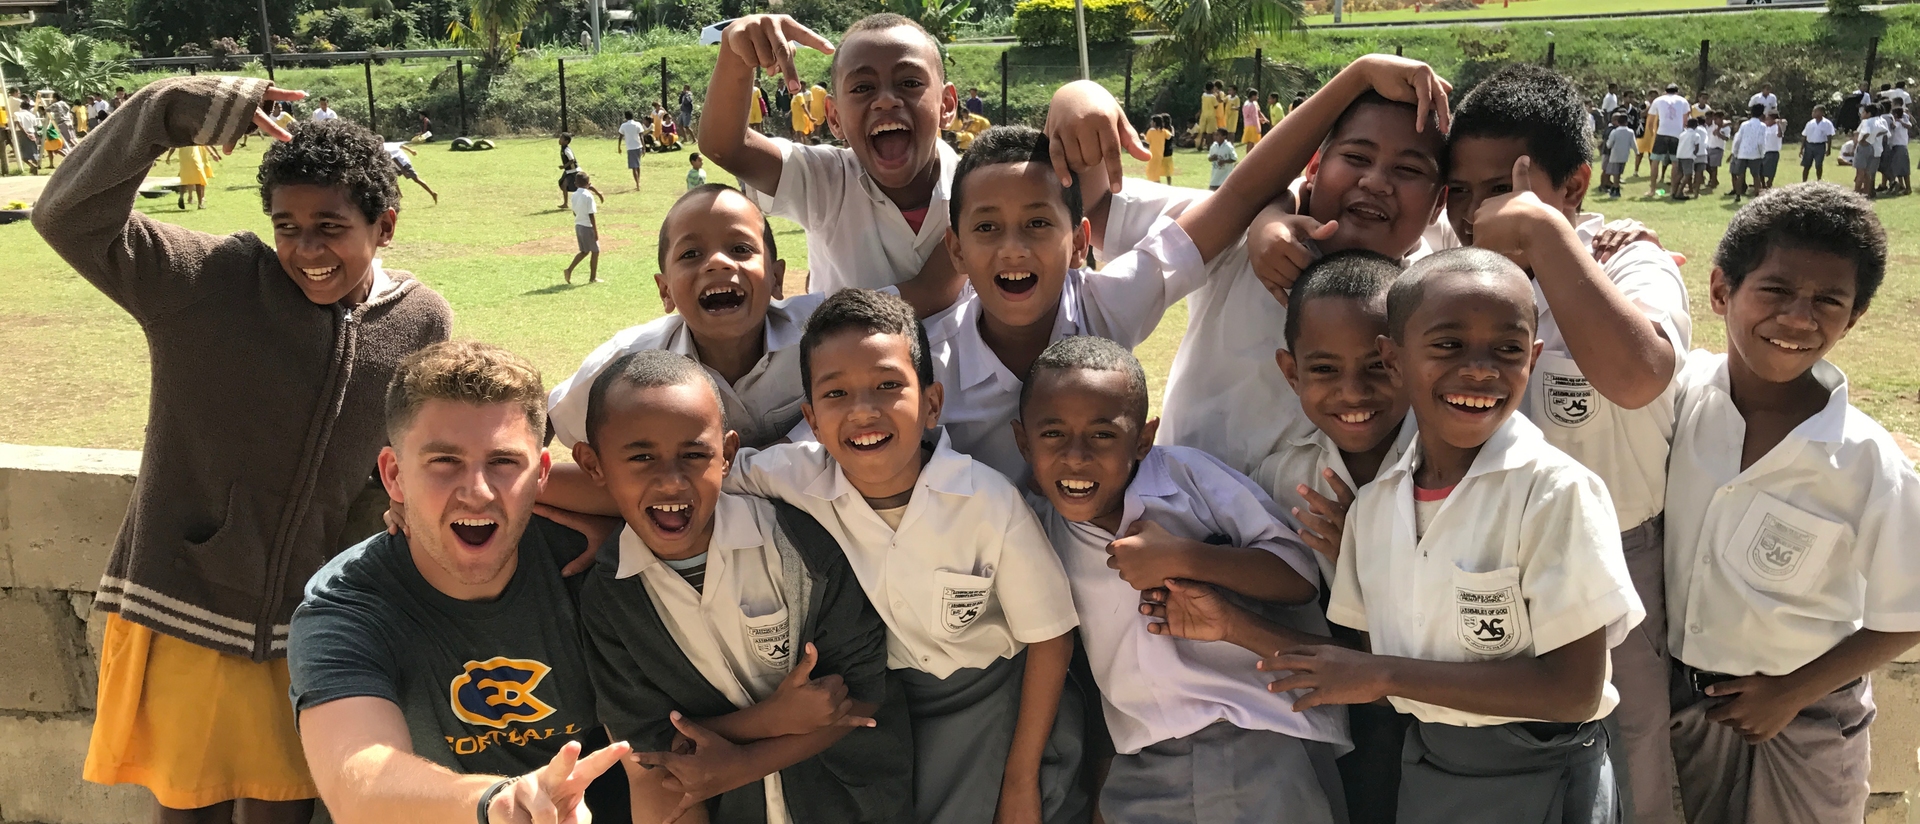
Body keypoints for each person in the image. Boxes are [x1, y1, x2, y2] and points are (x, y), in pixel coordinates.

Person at [36, 76, 453, 824]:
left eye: (330, 226)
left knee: (284, 816)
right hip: (187, 605)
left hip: (311, 621)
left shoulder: (420, 319)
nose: (305, 249)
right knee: (189, 815)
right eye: (286, 226)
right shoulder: (211, 281)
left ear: (384, 225)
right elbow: (66, 216)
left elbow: (425, 445)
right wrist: (166, 111)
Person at [1285, 248, 1641, 823]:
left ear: (1534, 357)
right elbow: (1367, 664)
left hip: (1544, 777)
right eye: (1448, 345)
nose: (1480, 369)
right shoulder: (1375, 509)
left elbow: (1573, 690)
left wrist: (1385, 676)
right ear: (1393, 359)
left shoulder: (1554, 492)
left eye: (1507, 349)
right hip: (1430, 772)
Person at [724, 289, 1089, 824]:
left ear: (933, 403)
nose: (863, 411)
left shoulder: (987, 502)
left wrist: (1020, 780)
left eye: (889, 385)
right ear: (812, 419)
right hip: (883, 709)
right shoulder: (788, 478)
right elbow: (694, 482)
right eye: (836, 394)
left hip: (995, 701)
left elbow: (1051, 635)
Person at [1445, 65, 1693, 824]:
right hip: (1485, 560)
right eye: (1457, 190)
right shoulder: (1453, 275)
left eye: (1500, 189)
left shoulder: (1629, 264)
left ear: (1576, 185)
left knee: (1629, 762)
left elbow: (1637, 375)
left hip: (1619, 561)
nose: (1473, 212)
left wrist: (1547, 234)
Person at [1040, 55, 1454, 476]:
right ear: (1312, 166)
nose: (1376, 182)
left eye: (1407, 169)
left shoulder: (1434, 293)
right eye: (1357, 158)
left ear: (1440, 203)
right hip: (1182, 518)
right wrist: (1077, 97)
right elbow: (1092, 204)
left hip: (1319, 541)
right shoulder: (1228, 229)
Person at [287, 341, 632, 823]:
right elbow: (358, 783)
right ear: (394, 475)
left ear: (541, 475)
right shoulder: (346, 606)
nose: (477, 492)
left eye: (504, 462)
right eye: (444, 462)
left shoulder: (595, 567)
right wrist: (500, 802)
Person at [1666, 183, 1919, 824]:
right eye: (1775, 291)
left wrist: (1790, 692)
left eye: (1827, 301)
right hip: (1689, 707)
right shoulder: (1681, 397)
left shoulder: (1864, 460)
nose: (1799, 318)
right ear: (1722, 290)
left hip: (1807, 719)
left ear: (1853, 317)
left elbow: (1909, 610)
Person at [572, 350, 914, 824]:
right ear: (593, 465)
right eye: (641, 456)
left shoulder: (801, 546)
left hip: (853, 804)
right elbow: (649, 747)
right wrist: (769, 722)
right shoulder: (611, 596)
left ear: (728, 454)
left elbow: (863, 692)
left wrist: (740, 762)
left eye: (694, 454)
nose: (671, 481)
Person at [1017, 336, 1348, 824]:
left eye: (1103, 435)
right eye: (1052, 435)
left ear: (1144, 438)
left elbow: (1299, 578)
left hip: (1252, 731)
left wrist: (1187, 557)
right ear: (1022, 441)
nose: (1076, 456)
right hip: (1145, 758)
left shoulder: (1186, 478)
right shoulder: (1038, 531)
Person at [1250, 251, 1415, 824]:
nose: (1352, 392)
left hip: (1447, 710)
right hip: (1346, 712)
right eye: (1323, 370)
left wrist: (1365, 554)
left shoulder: (1454, 465)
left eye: (1378, 367)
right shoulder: (1282, 479)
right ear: (1290, 372)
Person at [699, 13, 966, 297]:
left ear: (946, 105)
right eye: (863, 87)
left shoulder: (978, 190)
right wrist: (734, 54)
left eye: (910, 83)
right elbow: (726, 147)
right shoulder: (826, 181)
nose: (886, 99)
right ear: (834, 117)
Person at [546, 184, 815, 455]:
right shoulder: (630, 360)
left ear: (776, 278)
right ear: (666, 291)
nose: (718, 262)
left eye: (741, 248)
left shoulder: (822, 336)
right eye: (690, 254)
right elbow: (550, 414)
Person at [1650, 83, 1691, 197]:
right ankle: (1673, 190)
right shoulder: (1683, 101)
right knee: (1675, 163)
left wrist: (1653, 132)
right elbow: (1685, 120)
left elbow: (1651, 120)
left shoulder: (1658, 100)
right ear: (1677, 91)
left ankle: (1652, 189)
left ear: (1665, 91)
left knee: (1655, 161)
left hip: (1662, 132)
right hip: (1677, 134)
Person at [565, 171, 605, 285]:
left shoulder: (574, 195)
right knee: (595, 251)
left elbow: (574, 212)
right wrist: (595, 231)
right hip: (587, 226)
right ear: (588, 183)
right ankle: (592, 278)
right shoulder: (588, 196)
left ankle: (569, 270)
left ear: (575, 184)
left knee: (584, 251)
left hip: (578, 225)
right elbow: (591, 214)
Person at [1731, 103, 1770, 201]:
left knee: (1740, 175)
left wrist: (1735, 152)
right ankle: (1757, 195)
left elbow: (1738, 139)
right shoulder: (1762, 126)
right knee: (1756, 175)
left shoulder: (1744, 124)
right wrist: (1762, 153)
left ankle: (1738, 195)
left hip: (1743, 152)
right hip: (1755, 153)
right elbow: (1761, 142)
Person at [383, 138, 439, 204]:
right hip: (396, 163)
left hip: (404, 163)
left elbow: (399, 147)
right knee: (392, 178)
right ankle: (399, 195)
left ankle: (433, 193)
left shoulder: (384, 147)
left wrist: (411, 151)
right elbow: (401, 146)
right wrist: (411, 151)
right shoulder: (385, 145)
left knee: (416, 179)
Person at [1852, 102, 1885, 197]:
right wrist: (1874, 136)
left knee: (1860, 172)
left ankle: (1856, 193)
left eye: (1863, 112)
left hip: (1863, 147)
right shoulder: (1878, 121)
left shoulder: (1866, 122)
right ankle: (1866, 193)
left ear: (1868, 114)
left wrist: (1861, 140)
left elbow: (1865, 133)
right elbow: (1884, 130)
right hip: (1871, 147)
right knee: (1868, 173)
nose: (1862, 114)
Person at [175, 144, 218, 209]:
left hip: (184, 159)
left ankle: (181, 196)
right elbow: (204, 143)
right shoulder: (194, 136)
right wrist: (212, 153)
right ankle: (200, 204)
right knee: (199, 181)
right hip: (195, 158)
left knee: (185, 179)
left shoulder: (181, 137)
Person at [1603, 112, 1635, 197]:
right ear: (1626, 122)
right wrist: (1637, 152)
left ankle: (1616, 188)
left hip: (1615, 156)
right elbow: (1633, 144)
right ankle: (1615, 188)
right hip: (1624, 156)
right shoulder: (1630, 132)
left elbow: (1609, 144)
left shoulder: (1614, 132)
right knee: (1619, 172)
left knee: (1615, 173)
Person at [1801, 105, 1835, 182]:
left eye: (1815, 111)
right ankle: (1804, 181)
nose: (1813, 113)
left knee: (1818, 164)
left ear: (1821, 113)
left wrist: (1828, 148)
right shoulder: (1810, 123)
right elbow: (1804, 136)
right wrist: (1802, 148)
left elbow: (1829, 136)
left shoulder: (1827, 123)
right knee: (1806, 165)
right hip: (1809, 145)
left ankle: (1819, 180)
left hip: (1820, 146)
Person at [1885, 104, 1911, 195]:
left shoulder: (1899, 123)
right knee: (1899, 169)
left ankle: (1908, 188)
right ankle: (1902, 185)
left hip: (1900, 147)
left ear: (1895, 115)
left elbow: (1894, 128)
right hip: (1897, 147)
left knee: (1904, 169)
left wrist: (1896, 121)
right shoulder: (1903, 121)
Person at [1675, 116, 1702, 199]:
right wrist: (1694, 154)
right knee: (1688, 174)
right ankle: (1679, 192)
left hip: (1680, 155)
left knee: (1679, 174)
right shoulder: (1696, 135)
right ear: (1696, 126)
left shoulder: (1682, 134)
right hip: (1688, 156)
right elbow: (1697, 147)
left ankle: (1674, 190)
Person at [619, 110, 646, 190]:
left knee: (634, 167)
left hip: (631, 148)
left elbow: (620, 137)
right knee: (638, 165)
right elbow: (641, 136)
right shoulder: (637, 124)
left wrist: (619, 147)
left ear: (625, 117)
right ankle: (638, 181)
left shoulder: (624, 125)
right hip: (638, 146)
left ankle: (637, 184)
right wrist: (644, 147)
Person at [1143, 114, 1172, 184]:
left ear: (1155, 123)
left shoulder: (1151, 131)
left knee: (1151, 171)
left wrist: (1143, 137)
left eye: (1152, 122)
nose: (1151, 123)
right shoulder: (1163, 131)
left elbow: (1147, 141)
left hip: (1153, 154)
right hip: (1160, 155)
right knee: (1156, 170)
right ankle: (1157, 183)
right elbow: (1169, 136)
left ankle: (1156, 184)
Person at [1760, 109, 1784, 190]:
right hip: (1764, 151)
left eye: (1768, 119)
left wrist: (1779, 125)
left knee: (1770, 170)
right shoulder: (1765, 127)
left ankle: (1769, 183)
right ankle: (1763, 185)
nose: (1766, 121)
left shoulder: (1776, 127)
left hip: (1773, 152)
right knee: (1761, 170)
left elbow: (1780, 135)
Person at [557, 131, 581, 209]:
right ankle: (565, 204)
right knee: (563, 185)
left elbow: (572, 160)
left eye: (561, 139)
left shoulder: (567, 150)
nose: (559, 140)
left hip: (574, 171)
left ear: (566, 141)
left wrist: (564, 166)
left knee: (584, 185)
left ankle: (597, 193)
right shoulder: (563, 148)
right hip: (569, 171)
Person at [1196, 80, 1220, 152]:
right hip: (1211, 115)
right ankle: (1209, 146)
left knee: (1202, 131)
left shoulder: (1203, 95)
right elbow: (1216, 106)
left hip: (1204, 115)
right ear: (1212, 88)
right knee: (1210, 132)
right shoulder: (1213, 97)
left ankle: (1200, 145)